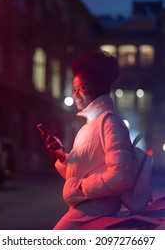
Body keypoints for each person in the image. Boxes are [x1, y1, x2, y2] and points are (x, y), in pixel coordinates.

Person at [38, 49, 136, 230]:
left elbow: (123, 174)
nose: (75, 94)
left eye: (82, 88)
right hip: (86, 208)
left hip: (97, 209)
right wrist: (61, 156)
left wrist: (82, 188)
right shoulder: (88, 126)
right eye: (74, 89)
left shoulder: (109, 122)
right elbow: (77, 174)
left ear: (99, 86)